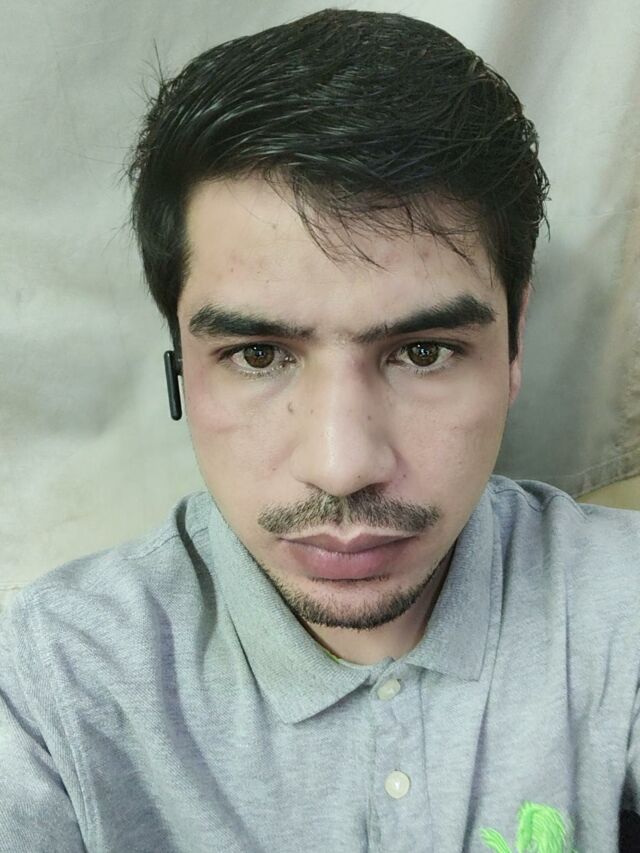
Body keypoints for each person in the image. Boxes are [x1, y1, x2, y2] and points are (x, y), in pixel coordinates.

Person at [1, 8, 638, 852]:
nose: (343, 467)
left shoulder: (620, 607)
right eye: (258, 354)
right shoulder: (51, 682)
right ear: (182, 365)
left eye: (423, 351)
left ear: (515, 343)